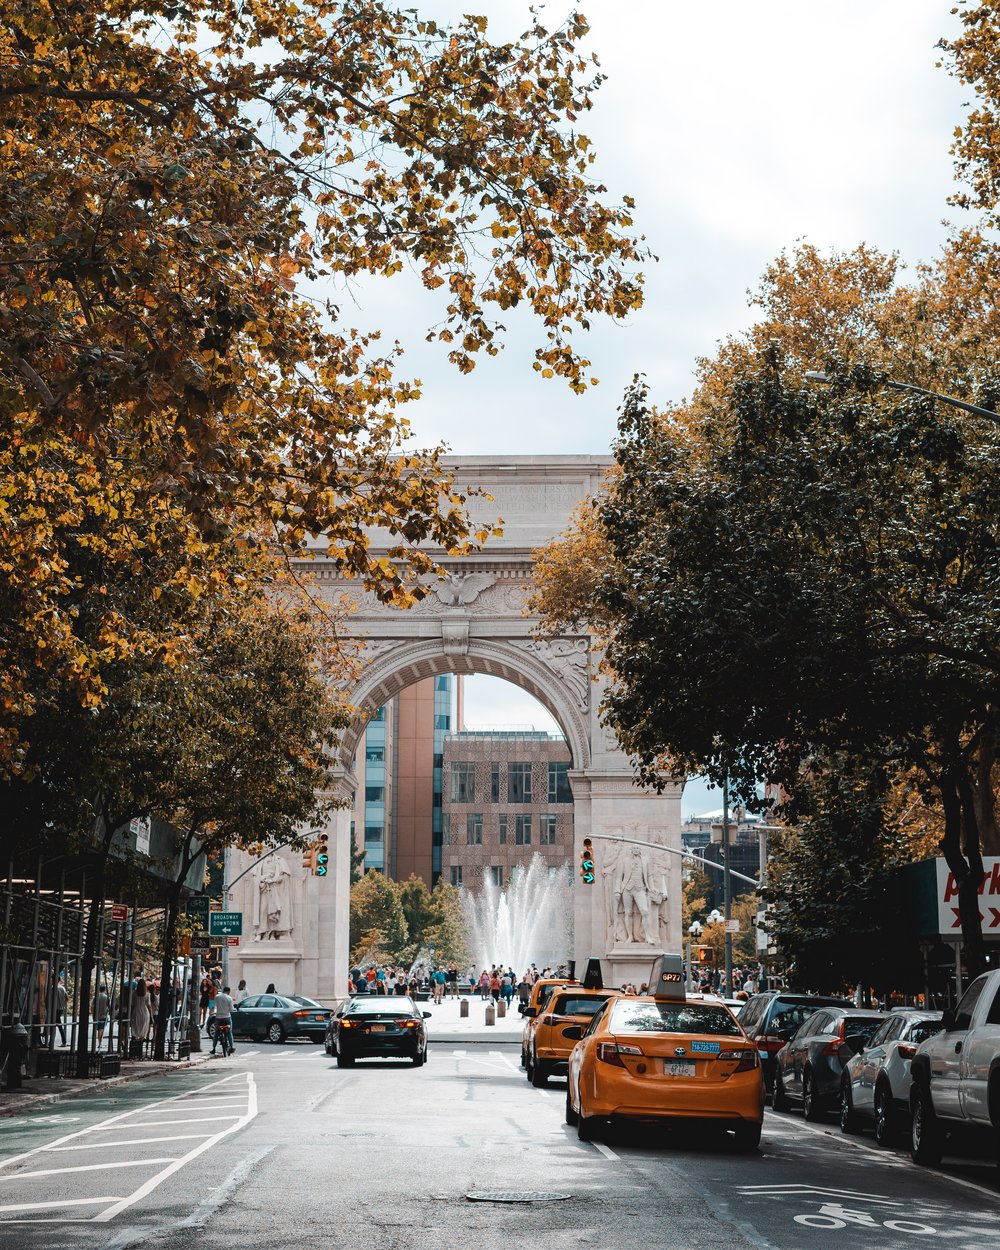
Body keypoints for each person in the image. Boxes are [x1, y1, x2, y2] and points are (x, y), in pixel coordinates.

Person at [211, 985, 235, 1056]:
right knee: (229, 1032)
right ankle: (231, 1047)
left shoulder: (217, 997)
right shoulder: (229, 998)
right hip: (227, 1017)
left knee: (216, 1033)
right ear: (228, 992)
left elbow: (213, 1006)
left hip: (218, 1017)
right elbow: (231, 1009)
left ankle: (213, 1048)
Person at [55, 974, 67, 1046]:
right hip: (61, 1009)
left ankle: (64, 1041)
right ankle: (63, 1041)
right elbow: (67, 998)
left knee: (57, 1025)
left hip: (55, 1009)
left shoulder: (53, 988)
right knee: (58, 1024)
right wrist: (62, 1003)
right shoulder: (63, 988)